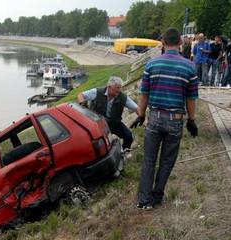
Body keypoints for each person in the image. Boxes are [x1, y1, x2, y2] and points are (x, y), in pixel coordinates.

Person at [131, 28, 198, 210]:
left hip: (154, 118)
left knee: (149, 160)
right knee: (167, 161)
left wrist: (141, 114)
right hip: (175, 120)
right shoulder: (189, 66)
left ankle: (144, 201)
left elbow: (144, 94)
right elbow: (191, 98)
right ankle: (157, 196)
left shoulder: (152, 64)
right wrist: (192, 120)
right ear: (180, 43)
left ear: (163, 43)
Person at [77, 76, 139, 150]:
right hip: (98, 125)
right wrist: (82, 104)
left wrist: (142, 116)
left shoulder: (123, 97)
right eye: (117, 88)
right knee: (100, 145)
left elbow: (136, 108)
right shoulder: (97, 92)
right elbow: (81, 95)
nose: (119, 90)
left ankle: (124, 153)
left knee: (129, 136)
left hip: (115, 124)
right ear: (109, 87)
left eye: (120, 87)